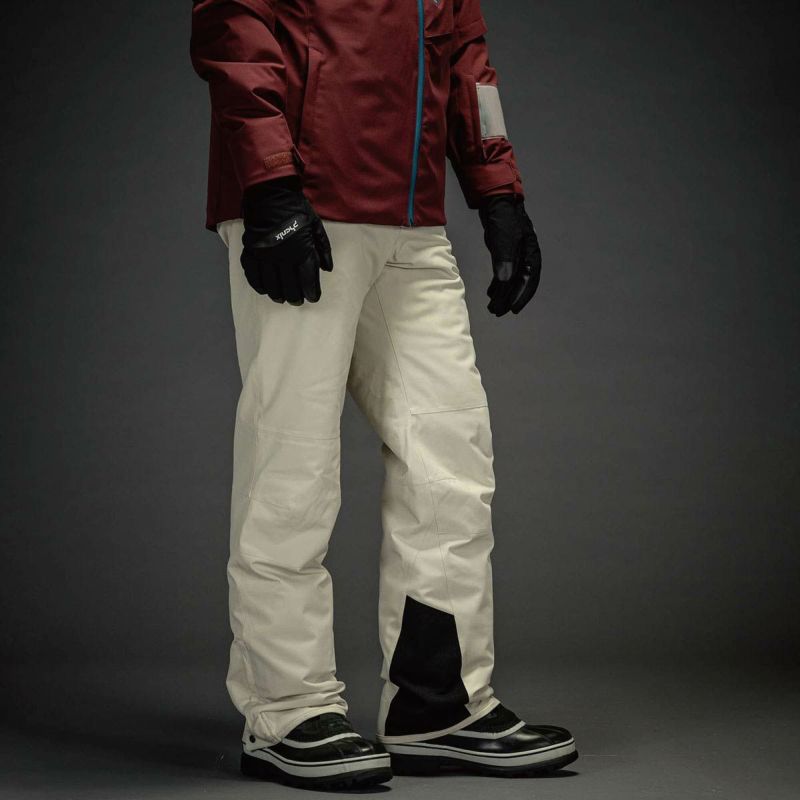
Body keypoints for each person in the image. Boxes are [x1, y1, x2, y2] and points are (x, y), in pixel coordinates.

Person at [190, 0, 577, 789]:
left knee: (450, 460)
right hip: (302, 206)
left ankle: (437, 706)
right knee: (294, 466)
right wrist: (268, 185)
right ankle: (286, 710)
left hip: (412, 222)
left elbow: (466, 63)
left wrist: (498, 192)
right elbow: (236, 31)